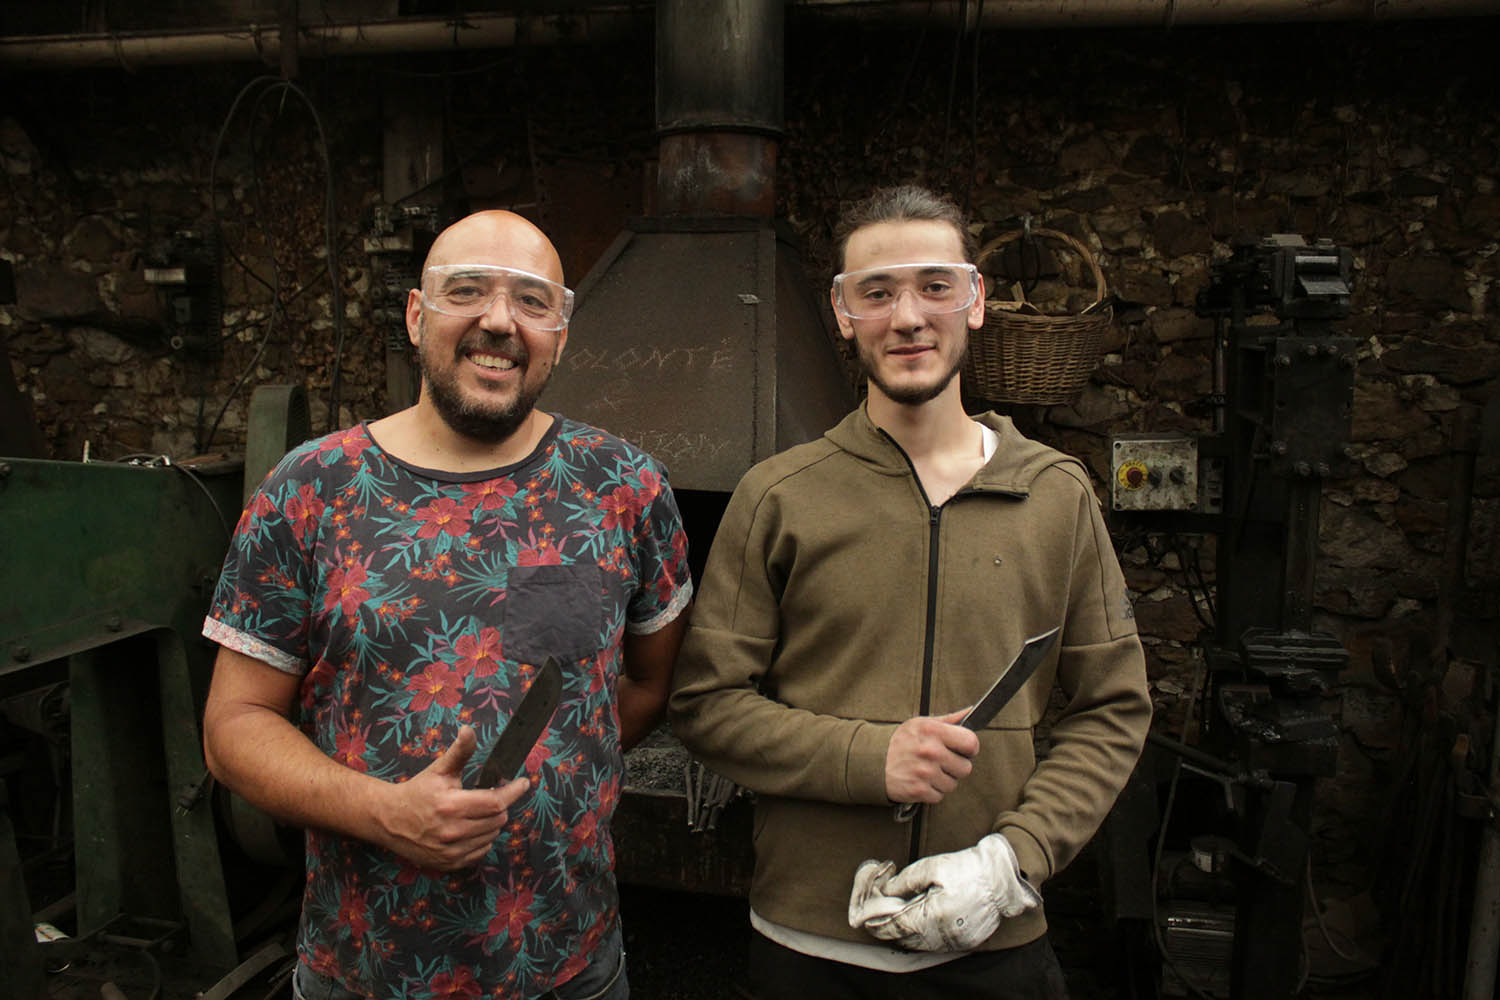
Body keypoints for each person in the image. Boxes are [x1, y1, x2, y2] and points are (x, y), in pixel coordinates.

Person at [668, 185, 1151, 999]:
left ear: (976, 300)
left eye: (935, 286)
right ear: (842, 312)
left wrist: (1013, 860)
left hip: (994, 949)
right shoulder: (778, 496)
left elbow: (1114, 708)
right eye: (877, 291)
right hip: (810, 948)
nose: (908, 317)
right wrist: (869, 757)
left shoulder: (1057, 496)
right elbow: (706, 705)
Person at [201, 210, 693, 1000]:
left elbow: (643, 686)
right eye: (466, 291)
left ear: (560, 333)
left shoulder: (623, 487)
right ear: (415, 315)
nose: (499, 320)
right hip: (364, 968)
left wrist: (553, 775)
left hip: (569, 967)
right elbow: (233, 728)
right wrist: (384, 812)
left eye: (531, 301)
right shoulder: (311, 489)